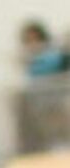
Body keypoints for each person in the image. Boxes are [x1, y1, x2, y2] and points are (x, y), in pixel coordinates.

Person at [15, 20, 70, 154]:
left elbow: (57, 67)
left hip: (55, 101)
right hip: (38, 103)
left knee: (59, 130)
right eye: (28, 39)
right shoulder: (30, 58)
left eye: (33, 38)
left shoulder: (54, 55)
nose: (31, 43)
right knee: (45, 133)